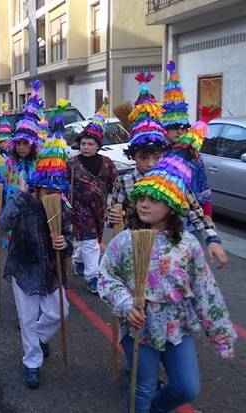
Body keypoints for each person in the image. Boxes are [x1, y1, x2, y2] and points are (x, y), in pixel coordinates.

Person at [98, 110, 236, 412]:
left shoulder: (186, 245)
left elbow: (206, 291)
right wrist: (124, 305)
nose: (145, 203)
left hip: (176, 325)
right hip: (140, 325)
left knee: (187, 387)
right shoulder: (126, 241)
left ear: (172, 207)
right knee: (143, 387)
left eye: (154, 200)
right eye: (142, 198)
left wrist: (220, 333)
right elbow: (106, 277)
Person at [107, 73, 227, 269]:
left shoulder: (173, 182)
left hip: (170, 252)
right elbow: (111, 217)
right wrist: (112, 218)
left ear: (164, 154)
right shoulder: (124, 182)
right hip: (135, 250)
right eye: (143, 157)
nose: (150, 164)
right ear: (133, 157)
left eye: (156, 157)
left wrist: (212, 240)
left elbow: (196, 214)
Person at [0, 109, 72, 389]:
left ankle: (40, 339)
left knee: (60, 312)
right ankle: (32, 362)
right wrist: (17, 200)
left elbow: (69, 239)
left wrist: (64, 244)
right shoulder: (23, 201)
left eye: (56, 192)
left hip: (50, 271)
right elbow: (4, 224)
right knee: (27, 320)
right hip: (23, 268)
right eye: (46, 191)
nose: (51, 196)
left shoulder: (61, 207)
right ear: (37, 187)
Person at [0, 81, 44, 248]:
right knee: (13, 257)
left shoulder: (41, 165)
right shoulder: (6, 165)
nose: (22, 147)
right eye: (19, 144)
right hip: (11, 216)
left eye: (26, 143)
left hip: (35, 217)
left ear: (33, 145)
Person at [68, 102, 118, 294]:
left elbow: (116, 184)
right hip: (78, 209)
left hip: (99, 209)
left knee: (90, 239)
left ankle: (78, 260)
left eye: (90, 144)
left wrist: (116, 205)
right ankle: (93, 276)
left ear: (98, 145)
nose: (86, 147)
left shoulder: (107, 162)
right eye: (83, 144)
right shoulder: (72, 163)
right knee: (89, 241)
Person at [161, 60, 213, 220]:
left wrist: (208, 215)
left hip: (190, 219)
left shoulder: (193, 154)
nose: (179, 131)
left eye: (183, 127)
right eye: (174, 127)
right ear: (165, 128)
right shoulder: (157, 154)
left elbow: (203, 187)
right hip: (164, 219)